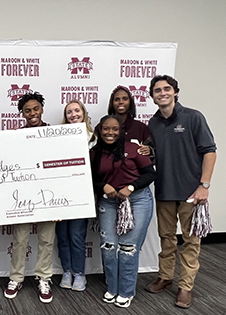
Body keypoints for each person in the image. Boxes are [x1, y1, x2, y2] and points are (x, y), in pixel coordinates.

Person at [145, 75, 216, 309]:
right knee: (166, 238)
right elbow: (156, 155)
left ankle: (186, 287)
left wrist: (204, 186)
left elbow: (209, 152)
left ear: (176, 92)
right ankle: (165, 277)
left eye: (167, 89)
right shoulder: (152, 124)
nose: (162, 93)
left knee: (191, 241)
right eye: (157, 90)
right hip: (164, 190)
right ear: (152, 96)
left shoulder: (193, 117)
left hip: (191, 192)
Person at [91, 115, 155, 308]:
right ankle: (112, 287)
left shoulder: (133, 148)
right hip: (109, 202)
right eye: (106, 129)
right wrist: (103, 186)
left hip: (137, 200)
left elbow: (150, 173)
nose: (110, 133)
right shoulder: (94, 153)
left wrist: (131, 188)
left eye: (115, 129)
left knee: (128, 249)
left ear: (121, 131)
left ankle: (127, 291)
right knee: (108, 246)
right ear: (100, 131)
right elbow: (91, 180)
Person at [3, 92, 56, 303]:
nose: (32, 113)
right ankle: (16, 278)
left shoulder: (54, 133)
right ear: (21, 114)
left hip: (49, 195)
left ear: (42, 109)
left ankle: (44, 277)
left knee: (46, 239)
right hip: (23, 196)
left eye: (35, 109)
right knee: (20, 239)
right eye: (27, 110)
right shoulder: (16, 135)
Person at [55, 100, 96, 292]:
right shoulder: (59, 138)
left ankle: (79, 273)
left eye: (76, 110)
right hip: (61, 195)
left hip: (82, 196)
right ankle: (67, 271)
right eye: (69, 112)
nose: (73, 114)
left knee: (77, 236)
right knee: (62, 236)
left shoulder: (94, 138)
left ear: (84, 112)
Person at [96, 85, 152, 155]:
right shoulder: (101, 127)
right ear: (112, 103)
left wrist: (149, 150)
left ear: (130, 102)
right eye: (117, 99)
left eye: (125, 99)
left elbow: (151, 150)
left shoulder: (141, 128)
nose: (121, 102)